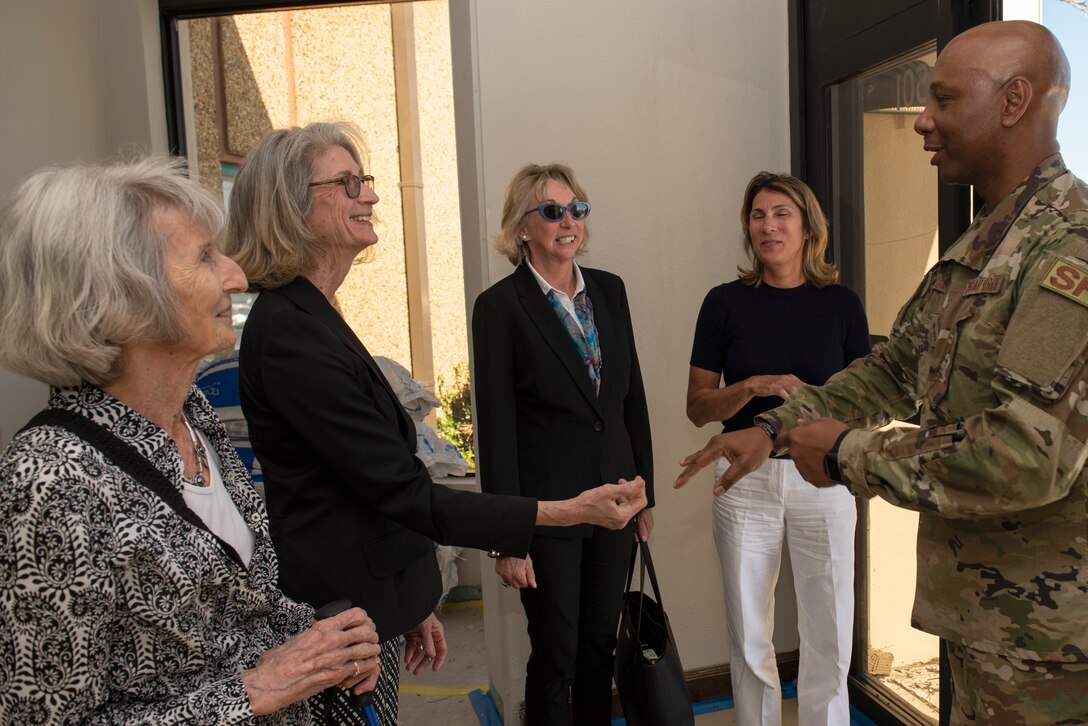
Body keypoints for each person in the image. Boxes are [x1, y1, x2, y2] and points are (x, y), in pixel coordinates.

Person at [676, 20, 1088, 724]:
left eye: (945, 101)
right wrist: (774, 428)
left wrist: (843, 453)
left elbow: (1028, 454)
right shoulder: (981, 251)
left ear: (1015, 101)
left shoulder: (1064, 252)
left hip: (1048, 650)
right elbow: (892, 371)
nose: (923, 121)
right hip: (986, 623)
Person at [224, 124, 647, 725]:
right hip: (339, 622)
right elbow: (406, 486)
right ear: (291, 206)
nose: (369, 195)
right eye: (348, 183)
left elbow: (370, 482)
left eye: (364, 181)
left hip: (372, 612)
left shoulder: (314, 313)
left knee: (596, 648)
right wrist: (552, 517)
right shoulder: (291, 331)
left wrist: (413, 598)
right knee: (556, 651)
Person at [0, 157, 382, 724]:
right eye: (205, 257)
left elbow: (232, 614)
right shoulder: (51, 480)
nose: (236, 276)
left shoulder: (193, 417)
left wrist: (320, 639)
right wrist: (256, 689)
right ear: (120, 296)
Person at [472, 163, 655, 725]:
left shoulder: (610, 290)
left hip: (615, 505)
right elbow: (496, 428)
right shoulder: (500, 307)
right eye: (552, 211)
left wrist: (645, 495)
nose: (567, 221)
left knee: (599, 648)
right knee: (557, 653)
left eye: (576, 209)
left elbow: (630, 401)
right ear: (523, 227)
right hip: (547, 514)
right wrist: (508, 538)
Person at [685, 172, 869, 725]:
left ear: (808, 226)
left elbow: (862, 404)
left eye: (782, 213)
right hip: (745, 484)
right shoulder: (723, 303)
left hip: (824, 479)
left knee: (830, 632)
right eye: (758, 215)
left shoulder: (841, 303)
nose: (769, 225)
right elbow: (697, 407)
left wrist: (801, 411)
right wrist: (750, 387)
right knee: (748, 634)